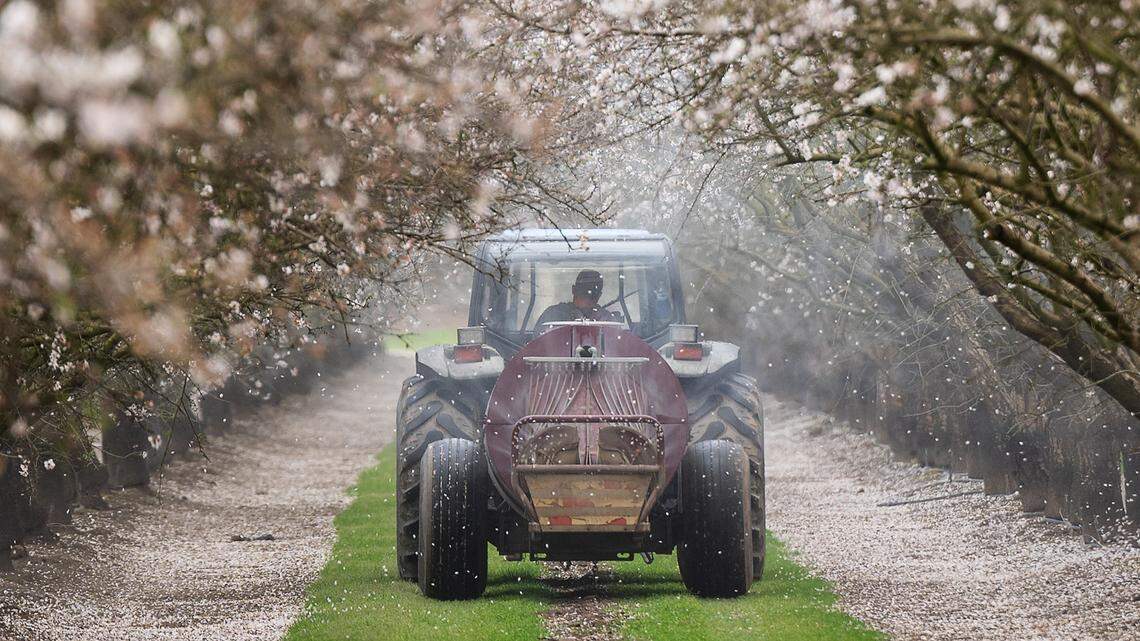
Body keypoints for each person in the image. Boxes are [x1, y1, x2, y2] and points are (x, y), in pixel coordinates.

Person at [534, 269, 623, 329]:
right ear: (574, 290)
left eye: (592, 295)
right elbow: (539, 348)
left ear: (599, 295)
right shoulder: (553, 316)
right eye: (583, 292)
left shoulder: (607, 320)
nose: (586, 299)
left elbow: (617, 350)